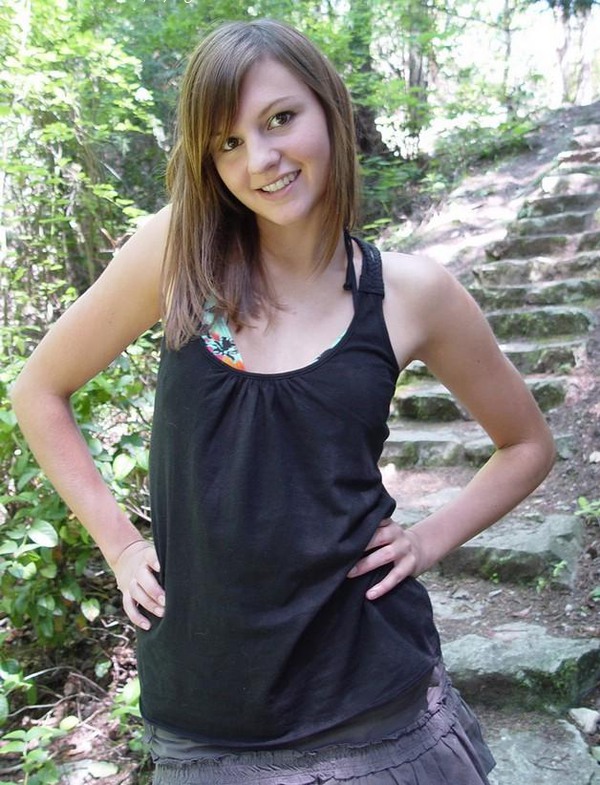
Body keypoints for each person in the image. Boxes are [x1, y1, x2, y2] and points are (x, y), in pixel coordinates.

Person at [11, 18, 555, 785]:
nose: (260, 158)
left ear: (329, 108)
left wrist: (428, 539)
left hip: (375, 703)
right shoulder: (177, 256)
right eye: (228, 142)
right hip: (207, 709)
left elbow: (528, 444)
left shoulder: (410, 293)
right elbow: (39, 389)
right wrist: (121, 545)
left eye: (280, 118)